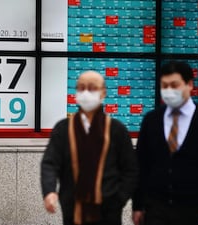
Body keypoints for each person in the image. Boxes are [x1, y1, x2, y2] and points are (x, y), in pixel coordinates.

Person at [132, 60, 198, 225]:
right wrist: (137, 205)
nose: (169, 91)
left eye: (174, 85)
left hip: (194, 209)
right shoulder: (152, 120)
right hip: (156, 208)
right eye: (164, 85)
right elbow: (141, 164)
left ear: (189, 84)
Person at [41, 70, 139, 225]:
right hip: (73, 210)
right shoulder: (63, 129)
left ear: (103, 93)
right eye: (81, 88)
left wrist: (118, 199)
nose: (86, 93)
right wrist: (49, 191)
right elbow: (50, 163)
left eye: (92, 88)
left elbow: (130, 169)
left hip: (109, 212)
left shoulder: (116, 129)